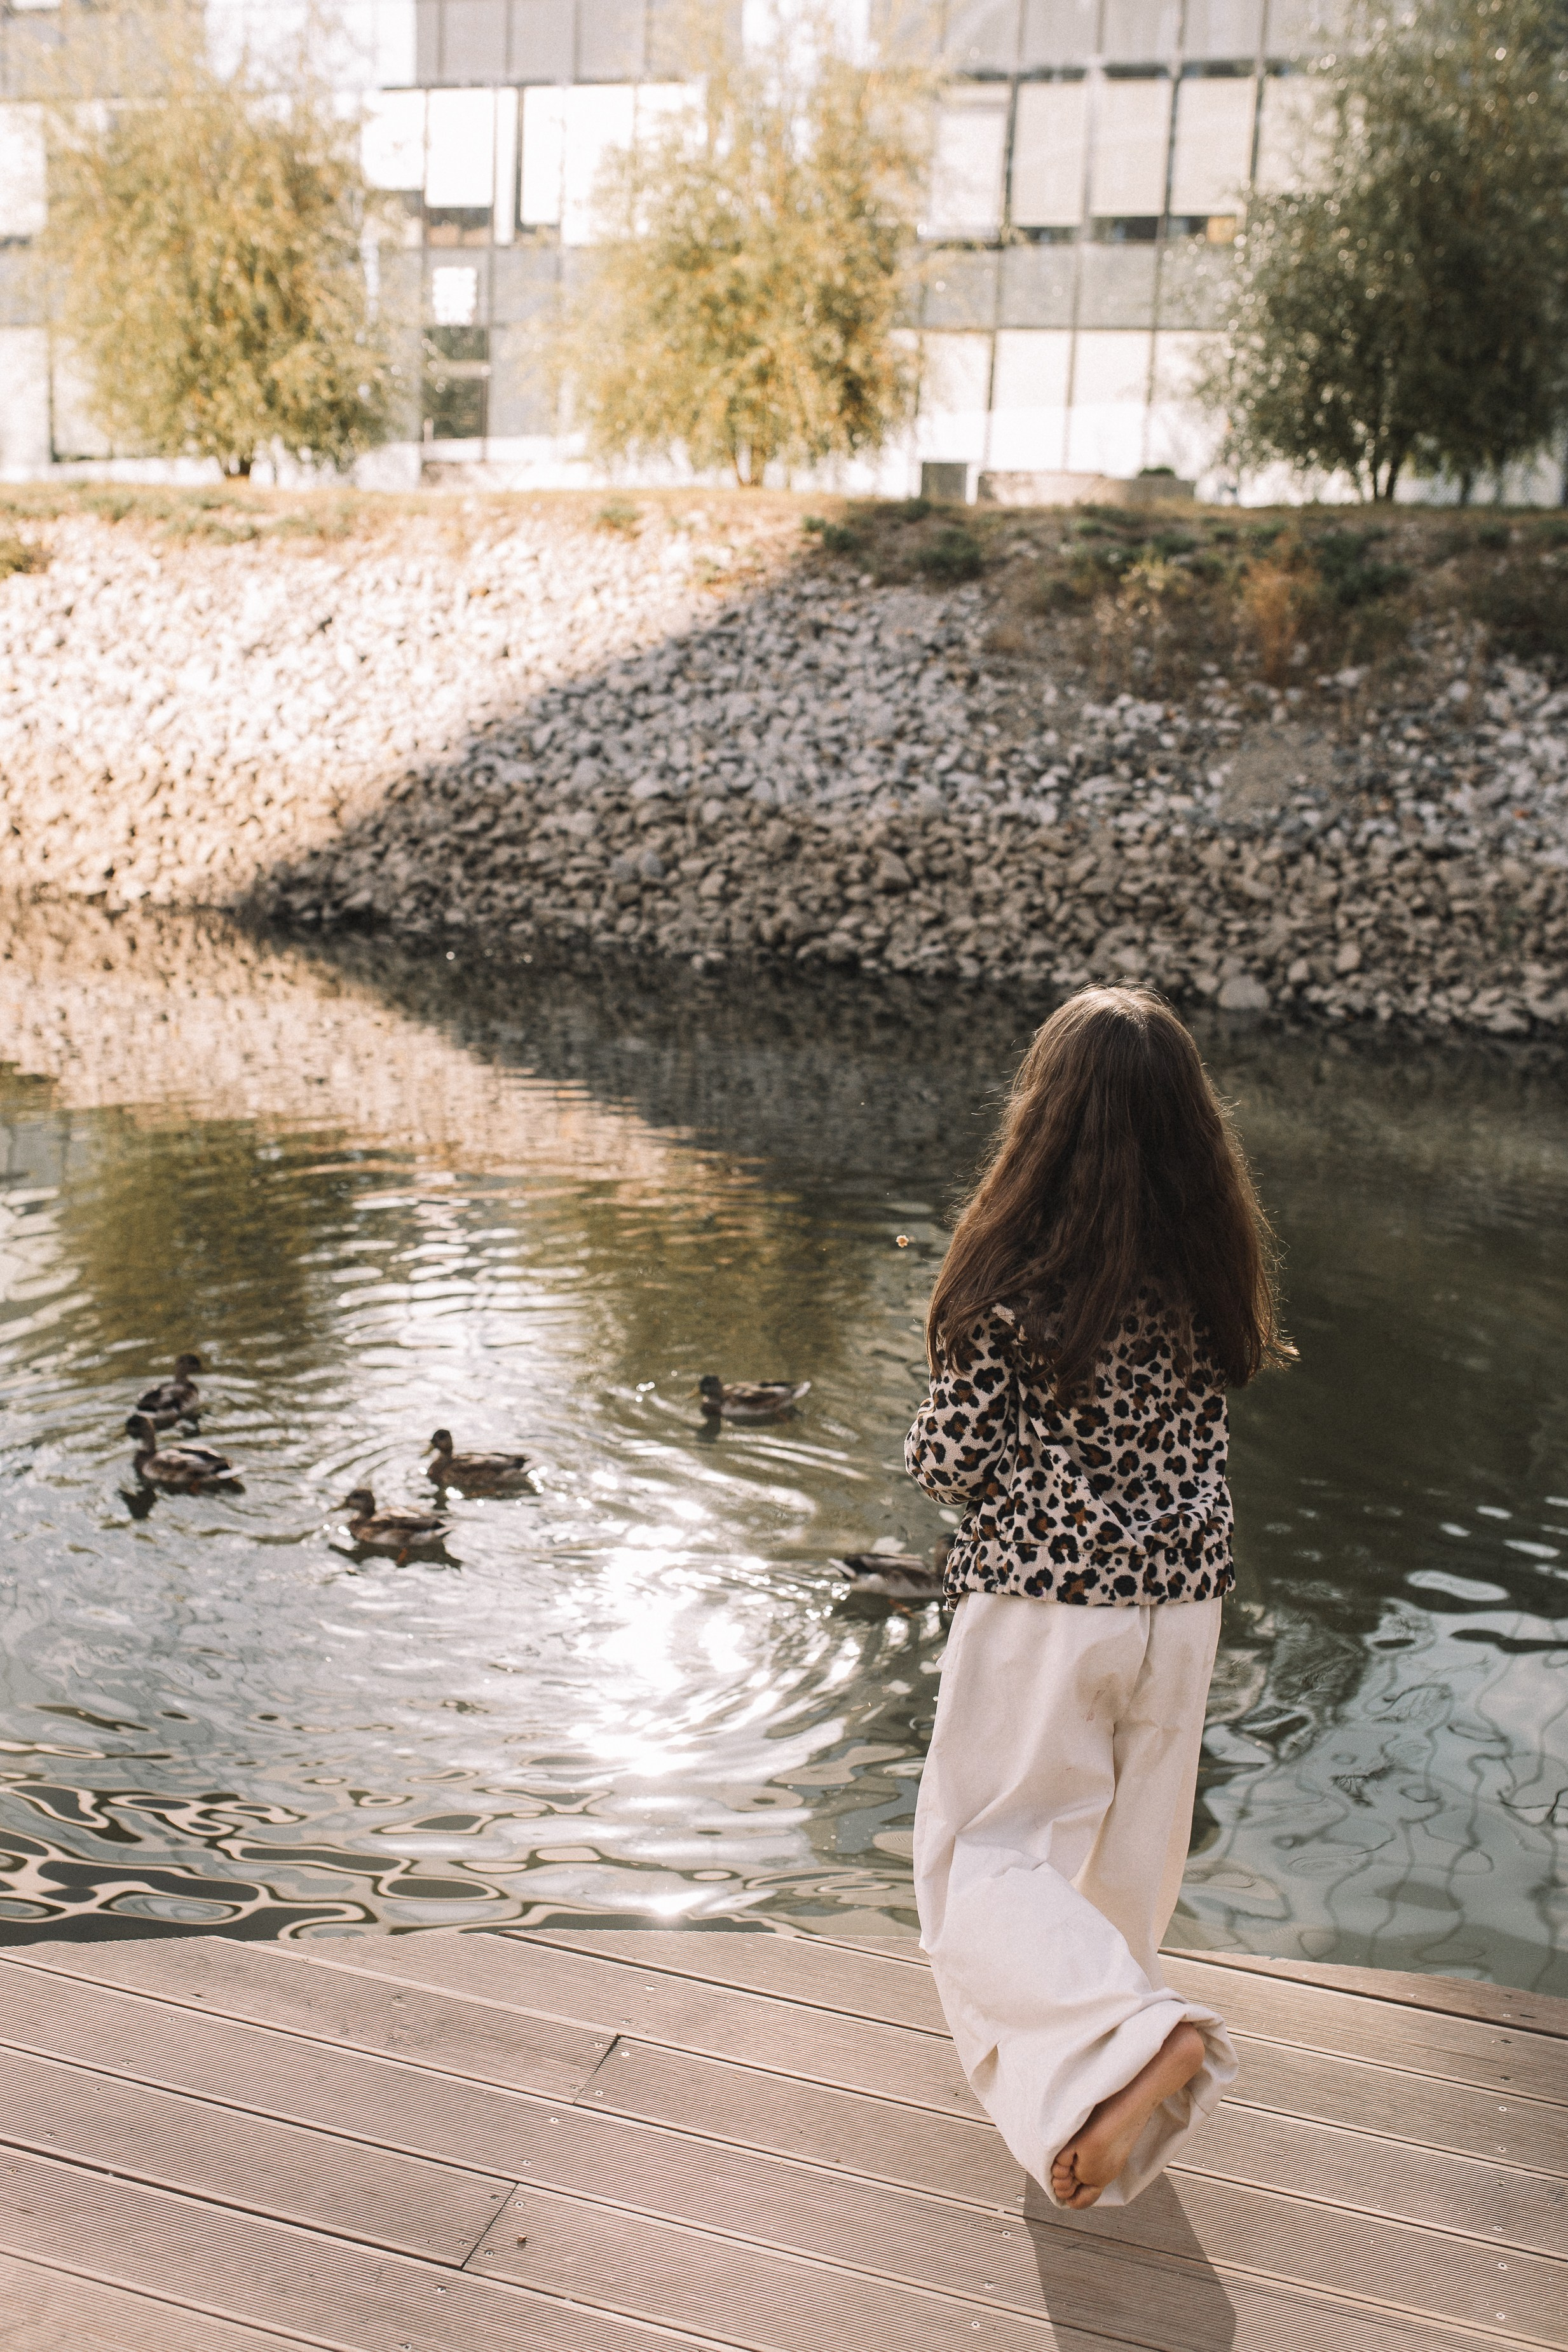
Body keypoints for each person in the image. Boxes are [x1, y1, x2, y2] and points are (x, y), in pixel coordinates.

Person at [906, 985, 1292, 2211]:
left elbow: (949, 1463)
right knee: (1122, 1874)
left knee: (980, 1867)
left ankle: (1137, 2040)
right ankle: (1087, 2104)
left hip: (1045, 1608)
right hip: (1180, 1611)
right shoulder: (1209, 1269)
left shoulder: (1017, 1278)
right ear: (1193, 1130)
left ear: (1044, 1118)